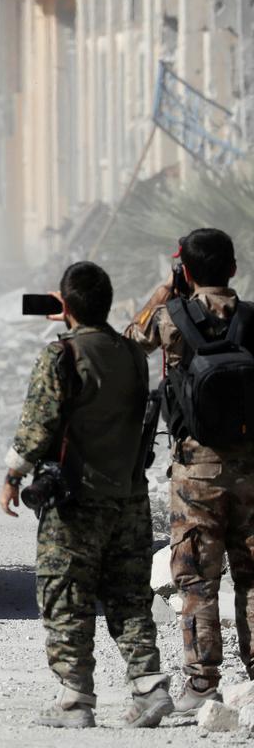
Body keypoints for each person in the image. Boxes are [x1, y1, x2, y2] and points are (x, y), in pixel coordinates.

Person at [0, 261, 171, 729]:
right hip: (129, 498)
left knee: (65, 594)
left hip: (75, 500)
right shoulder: (132, 353)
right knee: (129, 597)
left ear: (65, 305)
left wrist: (13, 475)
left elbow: (38, 424)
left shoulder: (62, 355)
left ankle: (75, 700)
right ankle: (149, 687)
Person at [126, 228, 253, 712]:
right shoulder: (251, 318)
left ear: (185, 270)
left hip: (196, 473)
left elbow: (128, 343)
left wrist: (165, 290)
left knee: (198, 580)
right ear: (233, 269)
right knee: (252, 577)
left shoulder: (170, 318)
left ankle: (202, 684)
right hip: (252, 470)